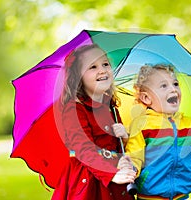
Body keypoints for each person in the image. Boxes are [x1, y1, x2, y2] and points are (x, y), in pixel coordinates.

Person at [125, 64, 191, 200]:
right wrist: (130, 170)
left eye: (175, 84)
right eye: (164, 86)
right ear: (146, 98)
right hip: (150, 196)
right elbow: (135, 157)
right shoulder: (142, 125)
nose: (173, 89)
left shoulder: (190, 125)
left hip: (181, 196)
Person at [52, 44, 136, 200]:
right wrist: (111, 174)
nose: (102, 70)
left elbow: (115, 147)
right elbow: (83, 149)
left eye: (105, 64)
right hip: (90, 179)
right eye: (93, 67)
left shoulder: (110, 105)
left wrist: (124, 139)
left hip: (116, 177)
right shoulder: (75, 109)